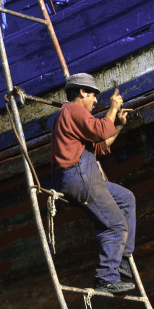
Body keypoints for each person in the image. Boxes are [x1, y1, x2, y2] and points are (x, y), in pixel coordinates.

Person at [51, 73, 136, 294]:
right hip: (79, 177)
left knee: (126, 199)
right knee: (115, 225)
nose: (96, 100)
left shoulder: (73, 117)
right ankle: (106, 278)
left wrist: (118, 125)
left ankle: (121, 258)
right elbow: (100, 130)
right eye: (93, 95)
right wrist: (113, 108)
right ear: (81, 92)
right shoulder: (72, 110)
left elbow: (99, 146)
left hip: (85, 176)